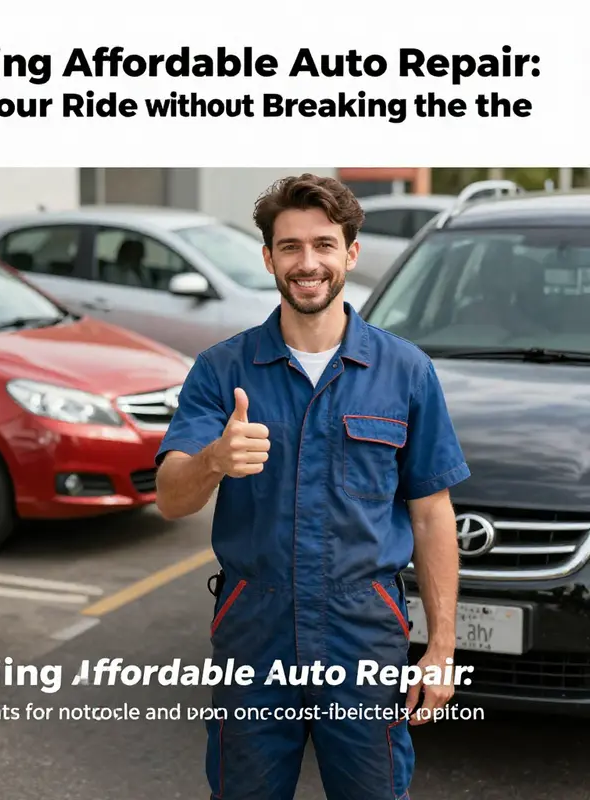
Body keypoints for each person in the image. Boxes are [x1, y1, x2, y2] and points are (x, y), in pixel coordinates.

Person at [154, 174, 470, 800]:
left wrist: (441, 646)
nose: (308, 263)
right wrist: (213, 460)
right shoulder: (223, 369)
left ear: (351, 253)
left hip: (362, 636)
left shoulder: (405, 370)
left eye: (324, 245)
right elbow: (170, 497)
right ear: (269, 257)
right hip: (255, 634)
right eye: (290, 247)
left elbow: (433, 515)